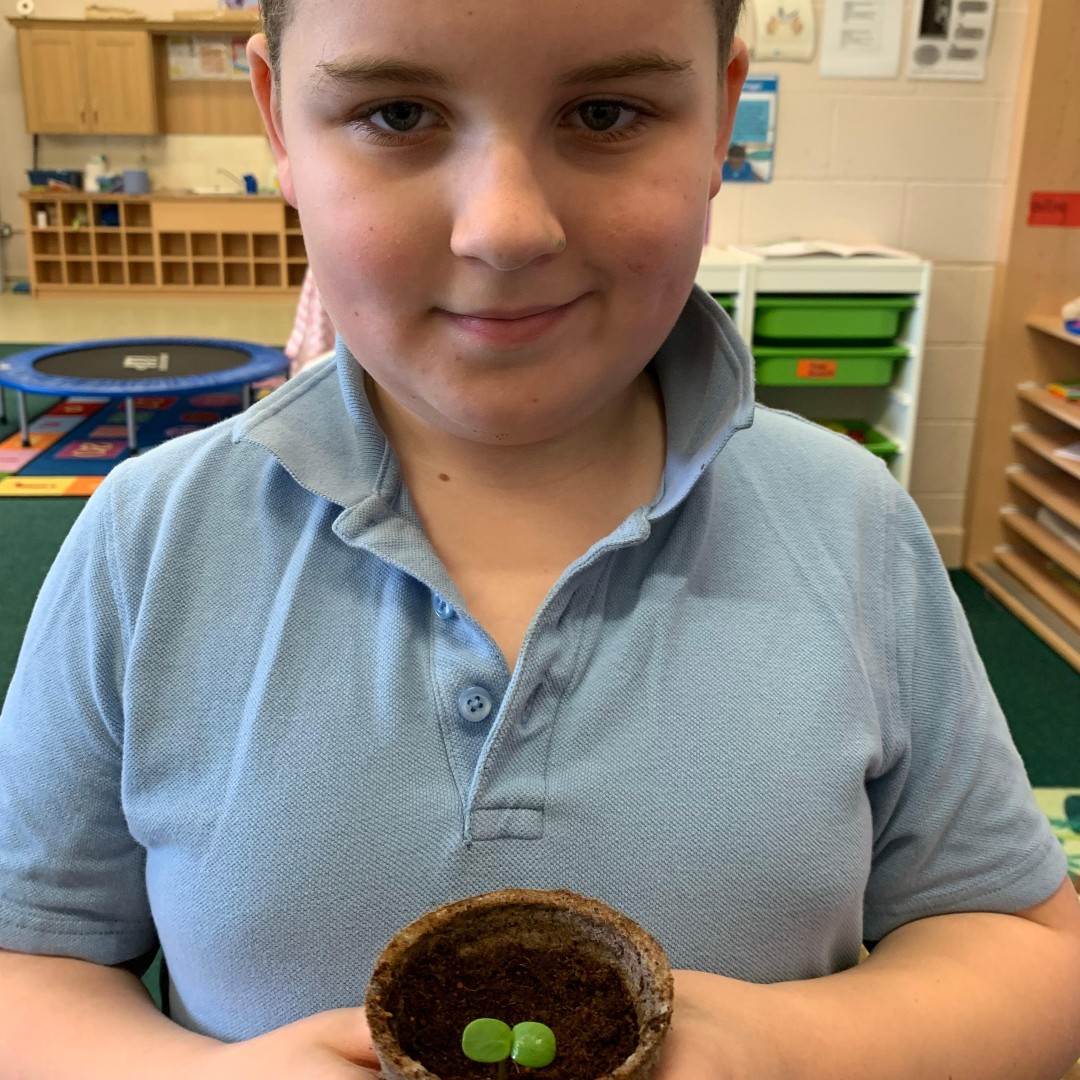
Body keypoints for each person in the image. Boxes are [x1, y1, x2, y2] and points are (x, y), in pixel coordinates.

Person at [1, 0, 1079, 1076]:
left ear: (719, 124)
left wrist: (787, 1052)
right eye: (397, 112)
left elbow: (1030, 952)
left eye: (605, 112)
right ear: (280, 124)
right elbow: (26, 969)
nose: (505, 227)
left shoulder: (854, 524)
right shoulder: (146, 543)